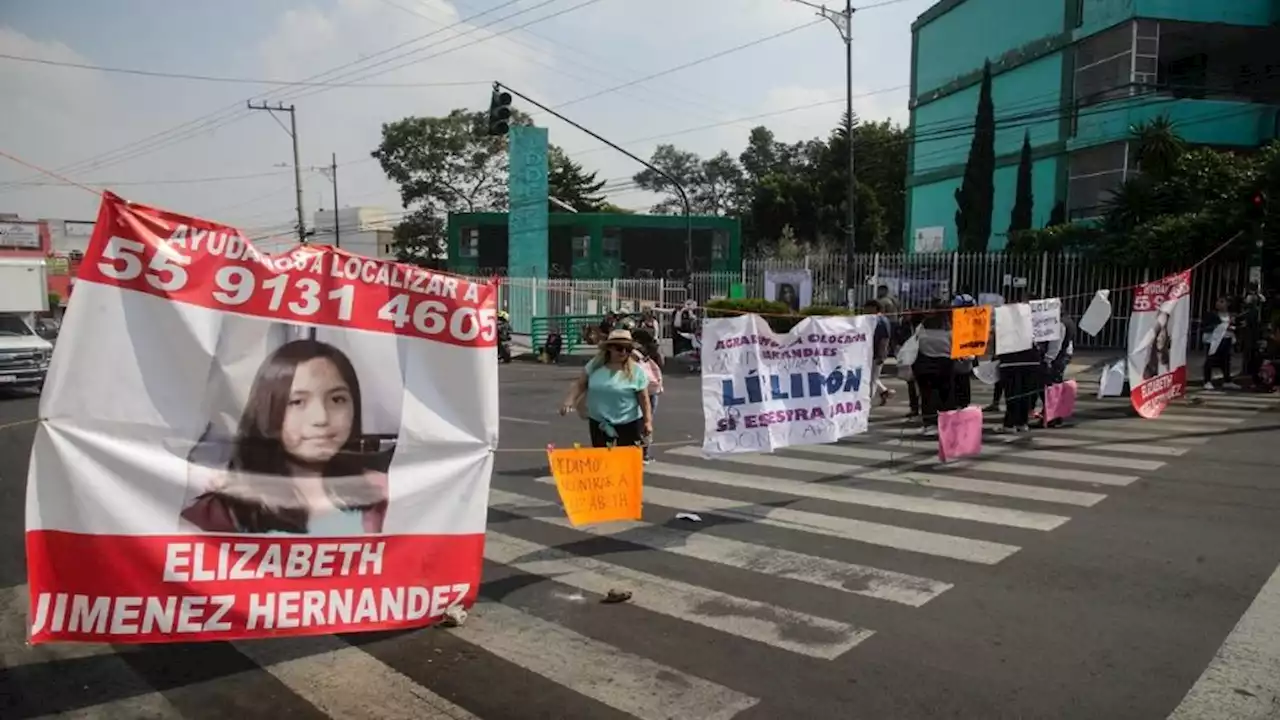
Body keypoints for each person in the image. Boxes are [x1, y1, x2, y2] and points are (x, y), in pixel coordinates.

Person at [180, 339, 388, 535]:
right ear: (268, 409)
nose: (321, 418)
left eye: (337, 399)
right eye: (297, 402)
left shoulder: (384, 494)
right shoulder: (224, 510)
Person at [560, 329, 653, 449]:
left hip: (629, 422)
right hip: (599, 422)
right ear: (610, 348)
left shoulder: (637, 371)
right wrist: (569, 401)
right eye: (619, 348)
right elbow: (580, 384)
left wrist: (647, 422)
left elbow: (644, 399)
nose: (624, 352)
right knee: (603, 460)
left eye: (628, 349)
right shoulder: (594, 365)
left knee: (626, 461)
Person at [911, 302, 954, 434]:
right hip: (945, 363)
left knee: (927, 395)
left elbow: (915, 343)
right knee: (945, 395)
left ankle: (930, 423)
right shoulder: (951, 329)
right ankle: (946, 422)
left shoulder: (922, 327)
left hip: (925, 363)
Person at [631, 328, 663, 463]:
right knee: (647, 421)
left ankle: (638, 451)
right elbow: (662, 363)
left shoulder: (633, 352)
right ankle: (645, 453)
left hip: (639, 388)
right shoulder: (652, 350)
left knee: (638, 421)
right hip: (653, 388)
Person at [1201, 297, 1238, 389]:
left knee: (1225, 360)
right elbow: (1206, 326)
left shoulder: (1231, 315)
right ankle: (1207, 381)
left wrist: (1232, 327)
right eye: (1218, 301)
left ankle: (1227, 380)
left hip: (1226, 338)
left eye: (1222, 302)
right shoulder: (1212, 314)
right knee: (1210, 360)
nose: (1219, 304)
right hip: (1213, 340)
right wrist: (1219, 326)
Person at [863, 299, 894, 406]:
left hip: (876, 354)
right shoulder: (869, 319)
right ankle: (884, 392)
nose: (865, 310)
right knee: (870, 377)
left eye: (868, 307)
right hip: (868, 353)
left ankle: (868, 402)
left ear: (875, 308)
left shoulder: (881, 321)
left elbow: (884, 340)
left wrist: (881, 355)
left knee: (872, 379)